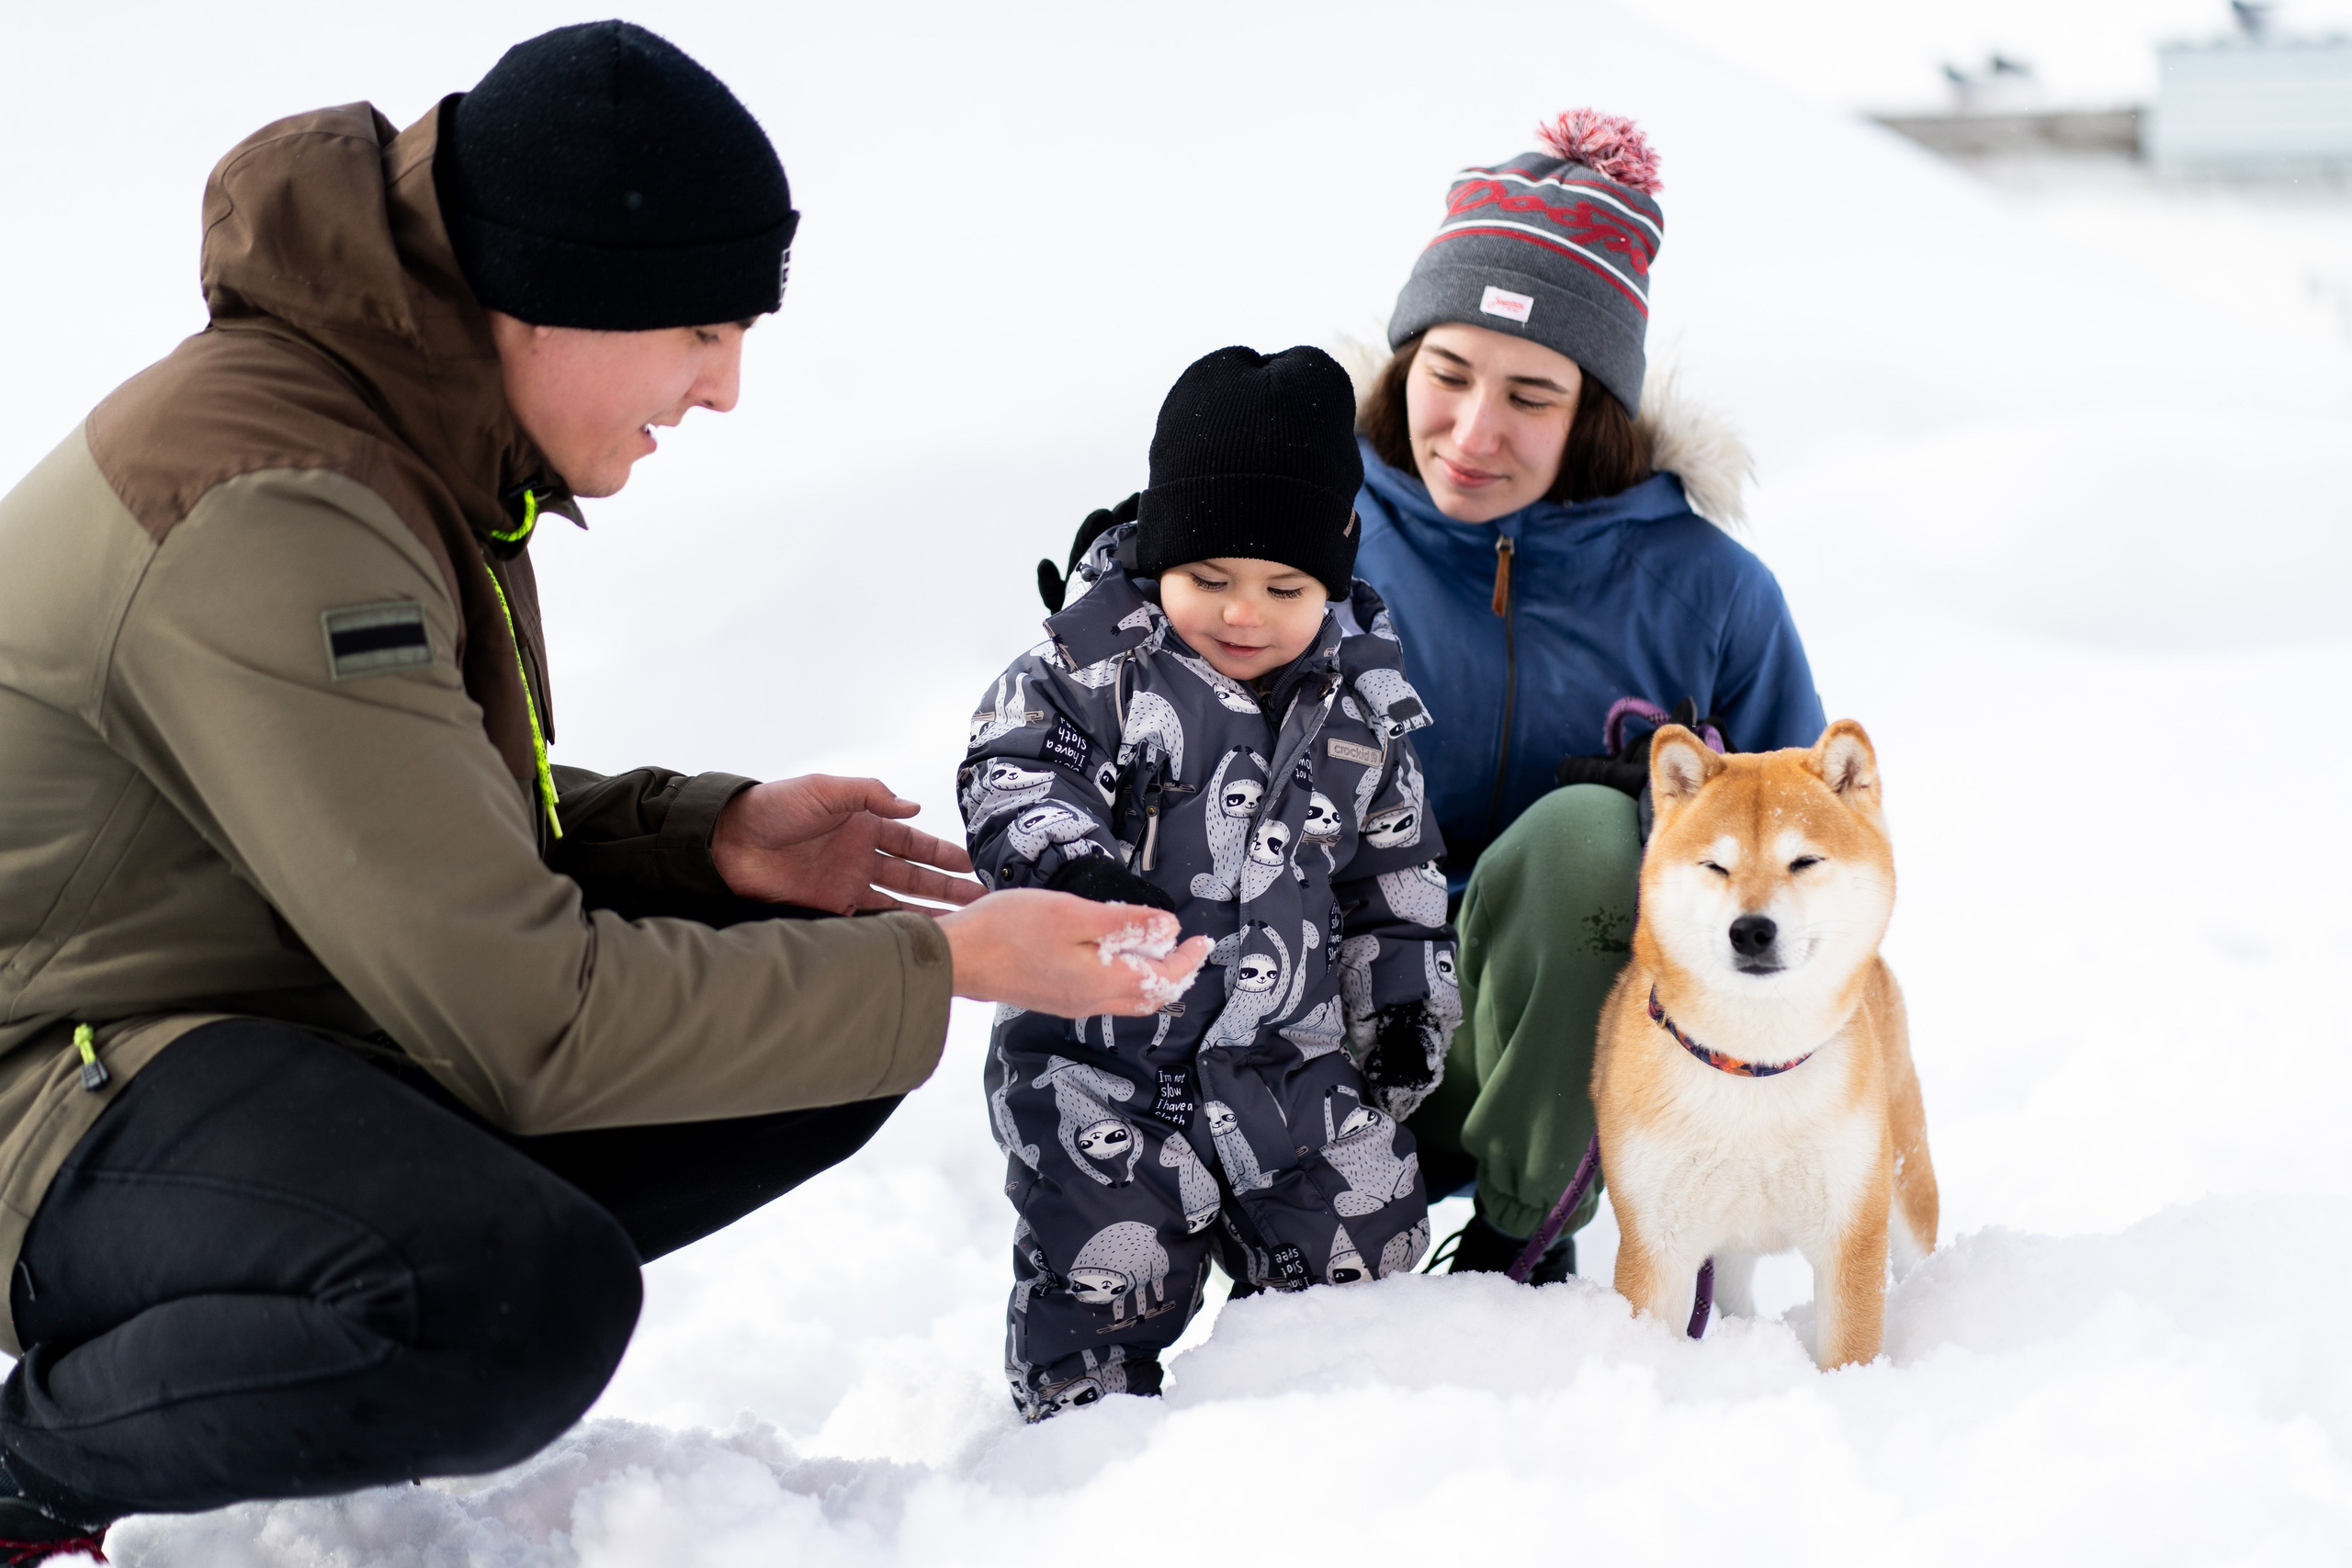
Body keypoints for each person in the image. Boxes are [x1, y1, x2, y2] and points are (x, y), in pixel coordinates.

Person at [0, 21, 1204, 1559]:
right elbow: (528, 1020)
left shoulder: (394, 425)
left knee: (806, 1036)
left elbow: (396, 803)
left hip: (224, 1012)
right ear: (560, 296)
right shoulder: (279, 502)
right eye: (701, 330)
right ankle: (27, 1469)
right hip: (49, 1080)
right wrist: (951, 958)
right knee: (500, 1301)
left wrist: (706, 845)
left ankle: (298, 1312)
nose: (724, 390)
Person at [1348, 110, 1827, 1281]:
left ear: (1594, 406)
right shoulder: (1303, 549)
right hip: (1324, 1030)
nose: (1472, 432)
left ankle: (1518, 1243)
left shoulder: (1707, 593)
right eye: (1446, 376)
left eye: (1531, 394)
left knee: (1588, 838)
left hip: (1574, 1056)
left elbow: (1812, 864)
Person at [966, 346, 1456, 1419]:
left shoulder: (1361, 705)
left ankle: (1330, 1444)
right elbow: (1011, 772)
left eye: (1283, 588)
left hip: (1289, 1063)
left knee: (1366, 1246)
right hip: (1102, 1067)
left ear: (1331, 578)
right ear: (1158, 561)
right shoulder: (1090, 670)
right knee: (1105, 1272)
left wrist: (1409, 1002)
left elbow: (1396, 870)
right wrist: (1070, 862)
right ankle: (1079, 1457)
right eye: (1209, 581)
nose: (1243, 614)